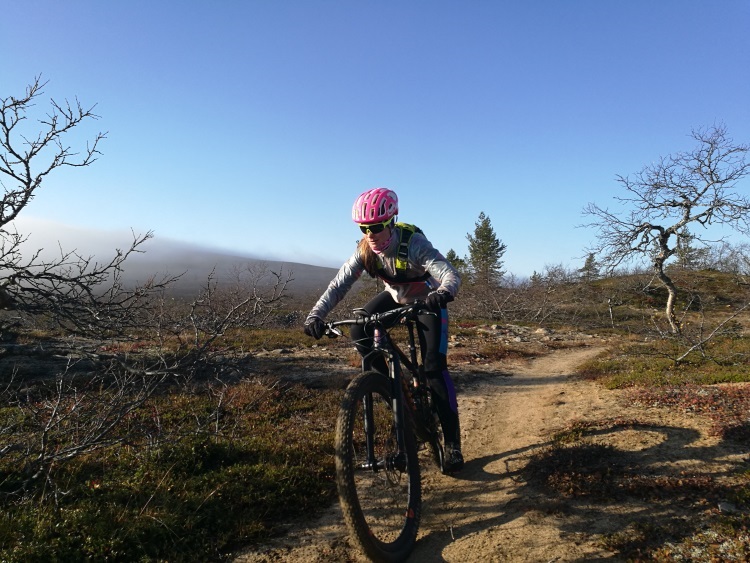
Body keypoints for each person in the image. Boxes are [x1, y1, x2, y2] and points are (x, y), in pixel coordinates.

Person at [303, 187, 464, 473]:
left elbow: (449, 273)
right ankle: (393, 387)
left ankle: (452, 444)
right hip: (395, 297)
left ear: (391, 222)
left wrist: (444, 292)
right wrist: (316, 315)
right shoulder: (364, 250)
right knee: (359, 331)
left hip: (427, 299)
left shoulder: (413, 243)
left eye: (376, 227)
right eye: (364, 228)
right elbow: (339, 285)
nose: (370, 234)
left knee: (433, 368)